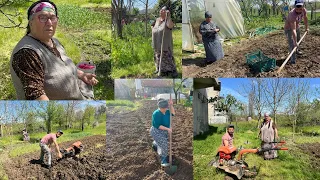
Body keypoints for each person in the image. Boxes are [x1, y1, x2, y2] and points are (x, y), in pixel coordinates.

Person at [10, 1, 98, 100]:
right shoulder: (27, 53)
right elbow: (37, 97)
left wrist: (82, 75)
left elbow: (64, 65)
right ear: (31, 22)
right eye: (42, 18)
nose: (49, 23)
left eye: (52, 18)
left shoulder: (54, 42)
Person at [152, 6, 178, 78]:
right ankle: (160, 69)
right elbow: (153, 27)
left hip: (165, 44)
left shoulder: (167, 20)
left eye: (163, 10)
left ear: (167, 12)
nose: (161, 11)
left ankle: (173, 71)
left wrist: (168, 16)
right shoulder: (157, 20)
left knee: (167, 57)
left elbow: (170, 26)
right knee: (157, 57)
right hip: (156, 43)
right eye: (161, 10)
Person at [150, 98, 175, 167]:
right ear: (159, 107)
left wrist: (171, 105)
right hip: (156, 131)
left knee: (161, 142)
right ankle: (163, 159)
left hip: (164, 131)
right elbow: (158, 125)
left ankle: (155, 143)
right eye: (162, 108)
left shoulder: (167, 111)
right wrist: (168, 129)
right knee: (164, 144)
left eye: (165, 108)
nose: (164, 109)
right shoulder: (156, 114)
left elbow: (173, 113)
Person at [284, 0, 309, 64]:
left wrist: (307, 28)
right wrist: (295, 42)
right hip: (289, 29)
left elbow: (305, 19)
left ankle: (297, 51)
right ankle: (293, 60)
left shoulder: (304, 10)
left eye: (300, 8)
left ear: (303, 7)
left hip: (297, 27)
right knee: (292, 44)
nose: (299, 10)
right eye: (297, 8)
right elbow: (293, 30)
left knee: (298, 40)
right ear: (295, 7)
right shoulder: (292, 14)